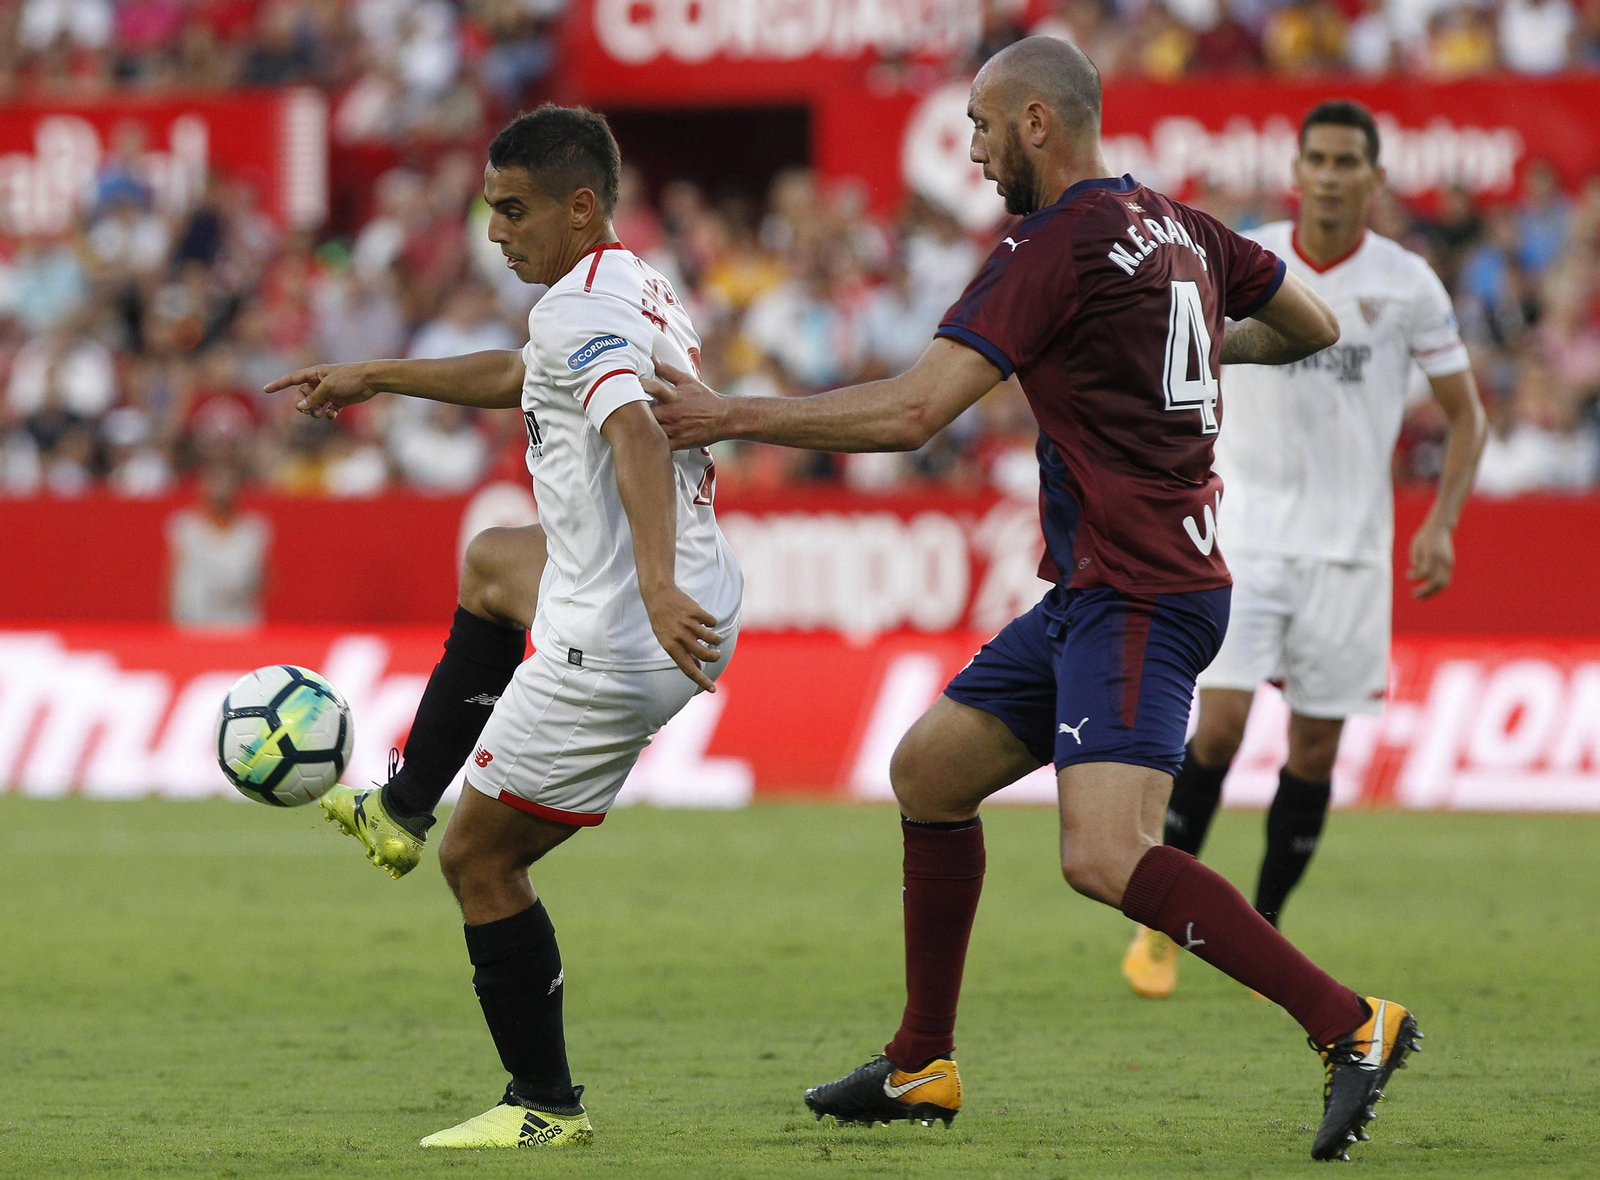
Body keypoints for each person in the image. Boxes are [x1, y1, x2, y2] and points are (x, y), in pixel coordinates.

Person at [648, 38, 1418, 1163]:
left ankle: (1352, 1025)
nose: (971, 148)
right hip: (1105, 585)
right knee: (928, 769)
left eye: (978, 124)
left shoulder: (1053, 245)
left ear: (1037, 124)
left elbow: (916, 412)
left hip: (1141, 590)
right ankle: (920, 1063)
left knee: (1103, 855)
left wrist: (729, 414)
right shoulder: (1177, 223)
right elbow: (1312, 326)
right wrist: (1191, 355)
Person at [264, 105, 743, 1150]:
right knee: (491, 560)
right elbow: (526, 375)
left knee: (481, 865)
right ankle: (399, 804)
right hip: (690, 586)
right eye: (490, 210)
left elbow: (632, 427)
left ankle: (544, 1104)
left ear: (579, 206)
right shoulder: (622, 285)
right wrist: (373, 376)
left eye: (513, 210)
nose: (495, 230)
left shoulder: (581, 313)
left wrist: (654, 589)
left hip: (624, 629)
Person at [1121, 101, 1486, 1000]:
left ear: (1375, 176)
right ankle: (1165, 931)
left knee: (1316, 750)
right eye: (1314, 159)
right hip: (1243, 536)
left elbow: (1468, 416)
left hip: (1353, 550)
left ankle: (1265, 926)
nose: (1327, 174)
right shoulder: (1247, 259)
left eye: (1344, 161)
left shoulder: (1408, 283)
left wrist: (1440, 522)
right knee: (1222, 723)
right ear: (1297, 167)